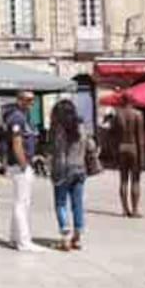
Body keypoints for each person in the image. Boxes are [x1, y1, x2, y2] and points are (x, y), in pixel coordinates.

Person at [50, 99, 96, 251]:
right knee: (78, 205)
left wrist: (55, 171)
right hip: (80, 169)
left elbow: (59, 152)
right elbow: (91, 145)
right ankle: (77, 238)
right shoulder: (81, 126)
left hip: (63, 170)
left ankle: (65, 238)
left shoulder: (59, 129)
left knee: (61, 203)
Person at [4, 90, 45, 252]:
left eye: (32, 100)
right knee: (22, 203)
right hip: (20, 166)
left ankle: (14, 238)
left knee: (21, 202)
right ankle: (24, 241)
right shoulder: (17, 117)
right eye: (28, 100)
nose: (31, 103)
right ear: (19, 100)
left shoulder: (25, 116)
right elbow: (16, 143)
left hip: (24, 164)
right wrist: (24, 164)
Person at [112, 93, 145, 217]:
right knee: (135, 180)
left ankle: (125, 209)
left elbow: (113, 136)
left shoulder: (117, 115)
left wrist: (114, 153)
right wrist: (142, 157)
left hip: (121, 147)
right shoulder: (138, 114)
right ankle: (135, 209)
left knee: (123, 180)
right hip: (134, 148)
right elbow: (140, 138)